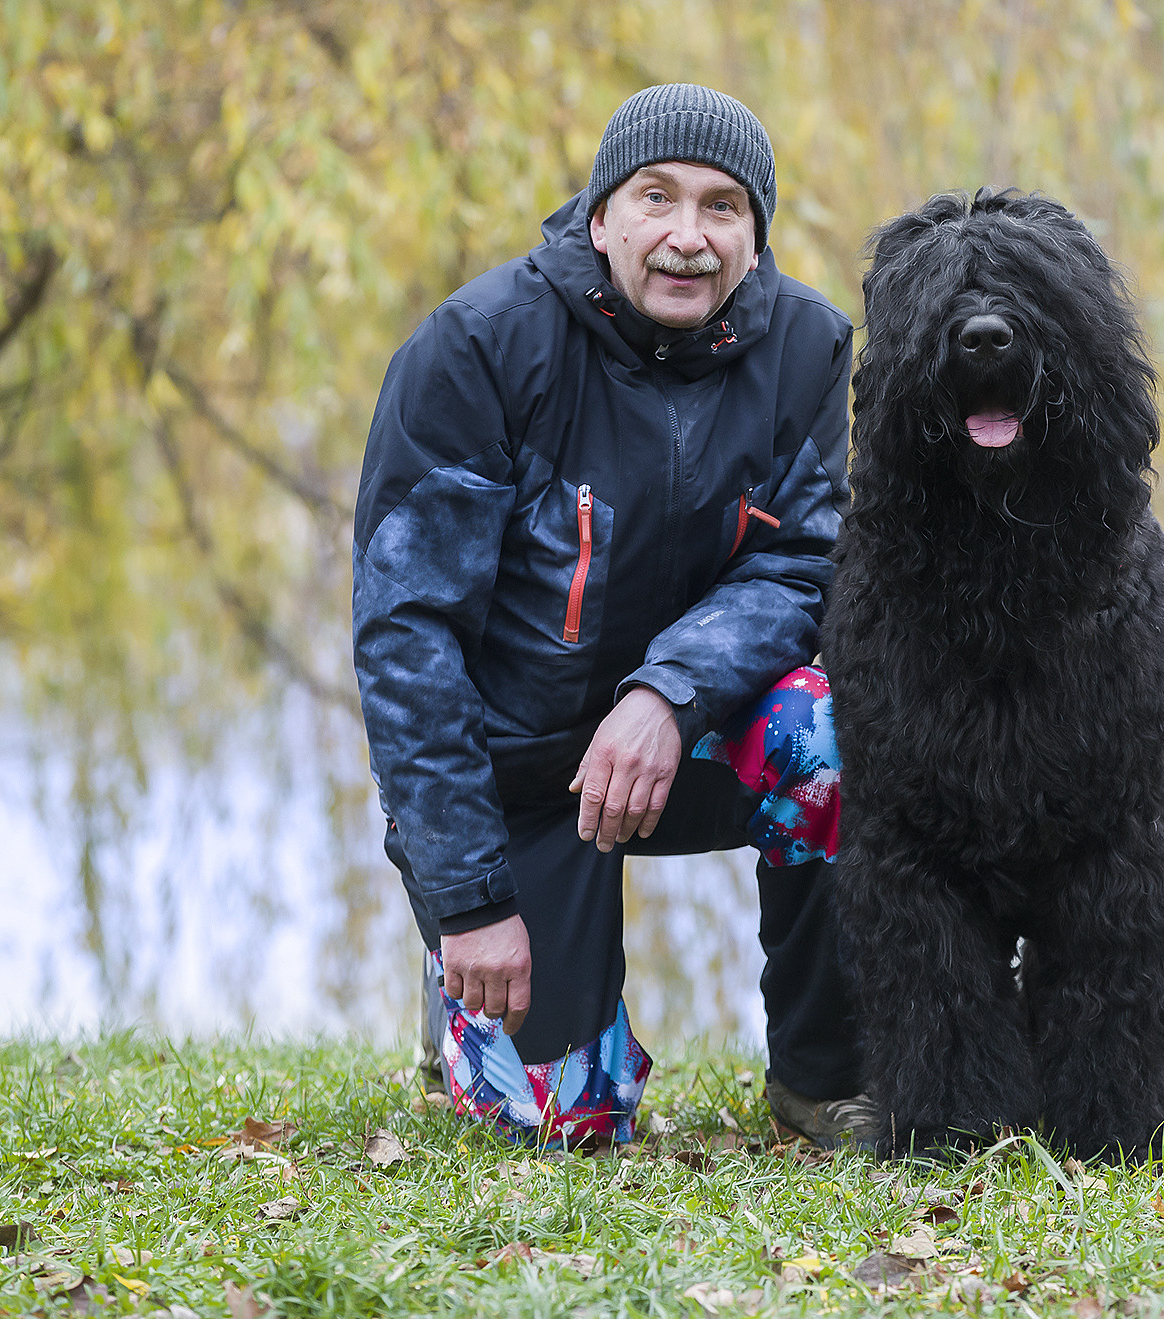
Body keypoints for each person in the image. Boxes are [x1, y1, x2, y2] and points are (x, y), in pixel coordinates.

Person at [352, 84, 866, 1148]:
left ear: (756, 236)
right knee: (566, 1127)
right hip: (519, 777)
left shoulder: (808, 347)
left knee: (835, 732)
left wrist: (666, 696)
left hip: (685, 741)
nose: (687, 236)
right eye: (655, 197)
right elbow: (409, 640)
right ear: (598, 216)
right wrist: (468, 894)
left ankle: (823, 1076)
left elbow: (800, 563)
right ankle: (462, 971)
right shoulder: (479, 346)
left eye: (723, 207)